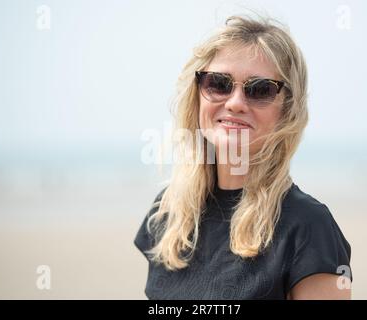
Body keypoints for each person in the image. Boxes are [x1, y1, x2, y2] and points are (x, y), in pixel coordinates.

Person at [134, 14, 352, 300]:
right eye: (219, 84)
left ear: (287, 110)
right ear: (197, 94)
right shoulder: (167, 213)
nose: (235, 103)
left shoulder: (309, 227)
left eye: (260, 90)